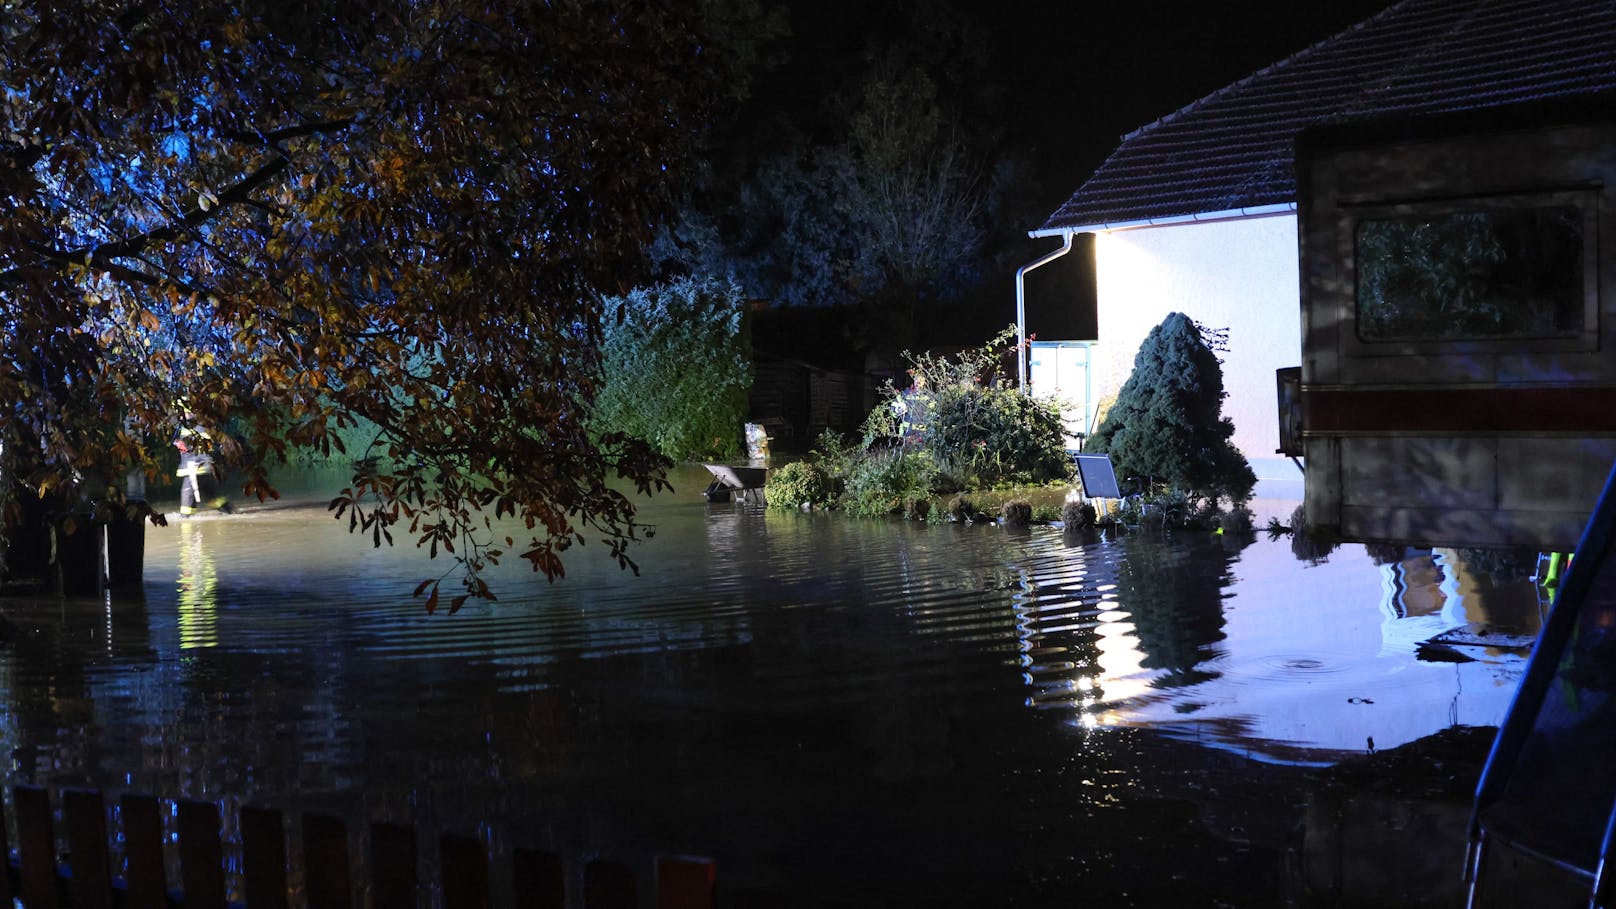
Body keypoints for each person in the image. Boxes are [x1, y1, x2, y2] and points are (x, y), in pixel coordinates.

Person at [173, 419, 232, 517]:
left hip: (194, 469)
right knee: (210, 496)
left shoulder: (194, 426)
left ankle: (186, 524)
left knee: (187, 498)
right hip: (201, 468)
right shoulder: (197, 425)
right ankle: (228, 511)